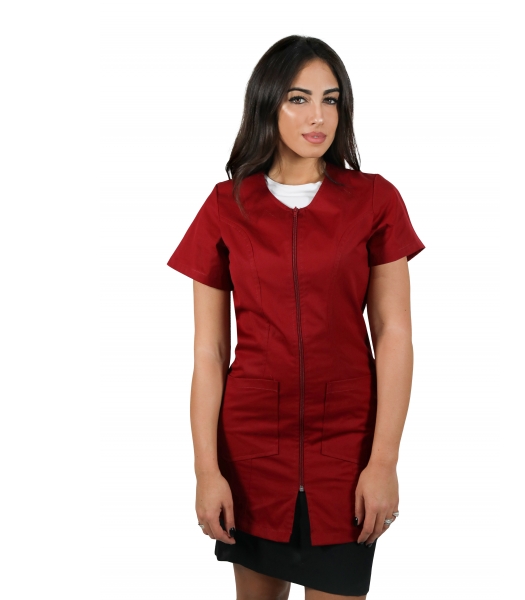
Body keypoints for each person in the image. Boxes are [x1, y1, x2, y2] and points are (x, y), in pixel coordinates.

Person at [167, 35, 425, 600]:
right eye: (298, 98)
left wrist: (383, 461)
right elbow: (209, 352)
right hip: (252, 447)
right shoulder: (225, 205)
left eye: (331, 100)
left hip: (347, 445)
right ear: (267, 103)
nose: (318, 116)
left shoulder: (375, 200)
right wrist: (206, 470)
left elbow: (394, 335)